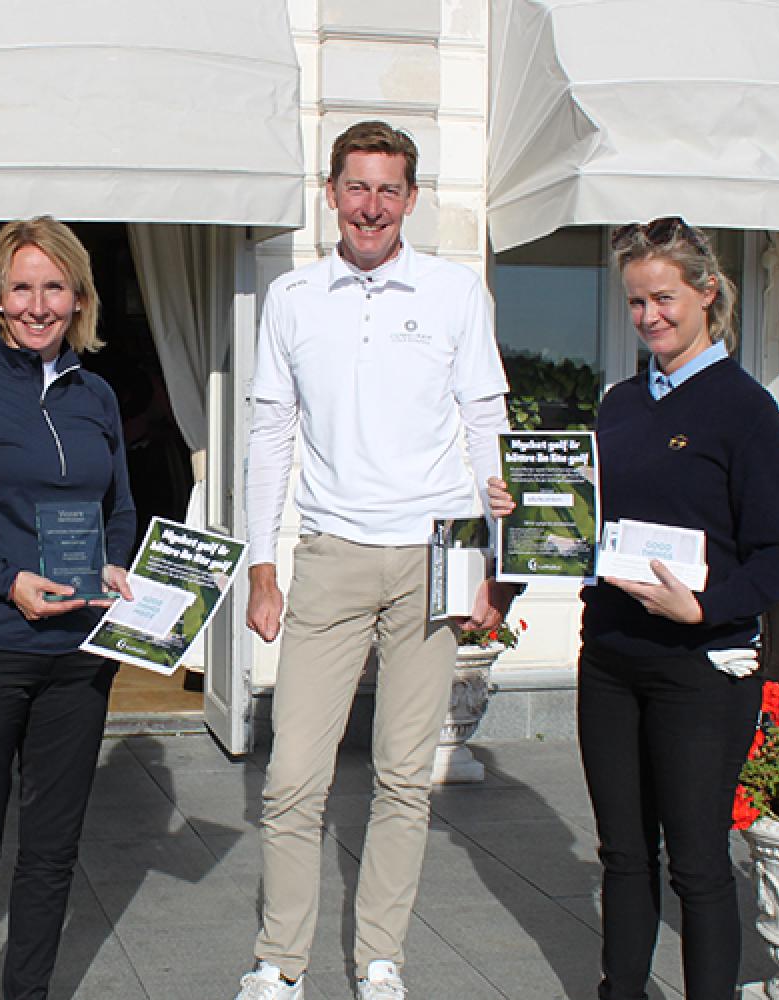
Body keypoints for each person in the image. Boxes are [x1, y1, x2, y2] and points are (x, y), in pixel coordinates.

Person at [236, 121, 519, 1000]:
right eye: (356, 187)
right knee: (292, 778)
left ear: (411, 199)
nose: (371, 206)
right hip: (330, 553)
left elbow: (486, 429)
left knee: (404, 775)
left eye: (388, 190)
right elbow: (270, 435)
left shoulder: (453, 292)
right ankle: (281, 964)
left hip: (437, 555)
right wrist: (262, 565)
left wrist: (495, 575)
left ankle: (381, 958)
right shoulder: (291, 298)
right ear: (331, 193)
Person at [492, 216, 779, 999]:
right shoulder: (619, 406)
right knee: (623, 854)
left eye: (663, 297)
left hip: (700, 669)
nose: (649, 317)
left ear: (707, 293)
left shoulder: (747, 412)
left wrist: (703, 609)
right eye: (635, 302)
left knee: (698, 863)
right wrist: (523, 509)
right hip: (612, 659)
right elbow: (588, 524)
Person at [0, 216, 137, 1000]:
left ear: (78, 297)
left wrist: (116, 560)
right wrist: (4, 578)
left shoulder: (99, 396)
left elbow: (120, 505)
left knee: (51, 852)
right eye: (22, 286)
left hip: (79, 656)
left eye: (55, 286)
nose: (38, 303)